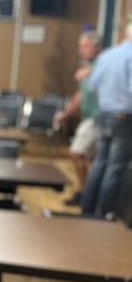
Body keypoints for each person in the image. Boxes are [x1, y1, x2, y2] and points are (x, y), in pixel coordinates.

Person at [81, 21, 132, 217]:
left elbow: (93, 86)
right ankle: (105, 213)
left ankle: (87, 209)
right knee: (115, 168)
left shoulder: (107, 55)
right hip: (123, 118)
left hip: (103, 115)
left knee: (99, 164)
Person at [53, 28, 102, 206]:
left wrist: (92, 72)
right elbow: (79, 95)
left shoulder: (102, 65)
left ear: (97, 47)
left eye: (86, 46)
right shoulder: (87, 69)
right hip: (89, 118)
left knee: (75, 153)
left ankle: (84, 193)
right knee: (91, 159)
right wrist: (65, 114)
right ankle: (90, 194)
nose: (82, 50)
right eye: (80, 46)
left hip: (98, 119)